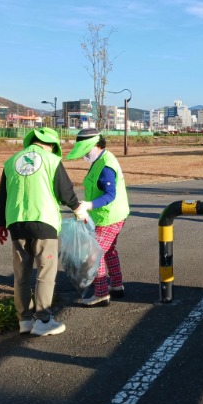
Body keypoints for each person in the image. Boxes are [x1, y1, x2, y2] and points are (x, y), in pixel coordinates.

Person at [0, 127, 87, 336]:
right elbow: (65, 192)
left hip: (16, 222)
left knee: (21, 274)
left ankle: (25, 320)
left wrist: (1, 224)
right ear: (52, 145)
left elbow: (3, 196)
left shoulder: (11, 162)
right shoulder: (52, 160)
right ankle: (43, 319)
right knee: (45, 271)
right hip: (43, 221)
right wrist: (78, 210)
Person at [66, 128, 130, 307]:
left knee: (95, 253)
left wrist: (89, 205)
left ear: (96, 145)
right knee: (109, 250)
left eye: (86, 151)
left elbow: (110, 194)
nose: (85, 155)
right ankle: (116, 285)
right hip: (111, 214)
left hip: (109, 217)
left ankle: (101, 293)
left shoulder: (106, 165)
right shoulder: (101, 159)